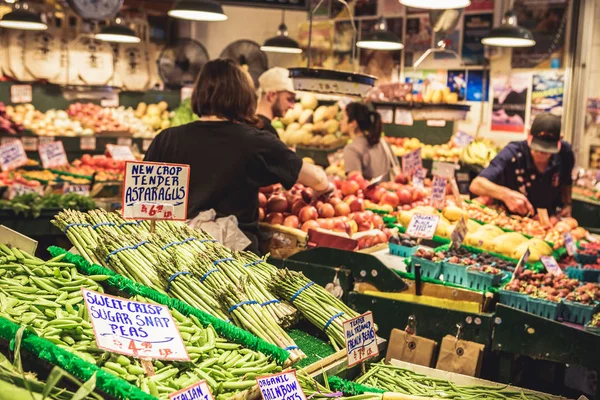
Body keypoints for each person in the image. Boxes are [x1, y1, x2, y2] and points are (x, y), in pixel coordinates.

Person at [144, 59, 331, 253]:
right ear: (244, 97)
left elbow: (142, 203)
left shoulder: (166, 139)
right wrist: (325, 187)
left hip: (175, 254)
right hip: (235, 262)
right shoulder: (255, 142)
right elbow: (316, 178)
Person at [470, 113, 574, 217]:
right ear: (529, 135)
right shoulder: (513, 153)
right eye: (537, 149)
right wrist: (506, 195)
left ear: (560, 139)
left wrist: (567, 204)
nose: (542, 155)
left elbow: (567, 181)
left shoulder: (565, 153)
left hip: (548, 219)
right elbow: (476, 184)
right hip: (511, 217)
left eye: (547, 151)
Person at [341, 102, 399, 181]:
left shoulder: (351, 149)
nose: (340, 122)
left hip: (370, 193)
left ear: (353, 123)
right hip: (389, 191)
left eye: (343, 118)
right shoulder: (383, 142)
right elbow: (398, 171)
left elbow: (355, 183)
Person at [256, 67, 296, 138]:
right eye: (289, 99)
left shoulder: (249, 125)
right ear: (271, 96)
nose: (292, 106)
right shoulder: (267, 133)